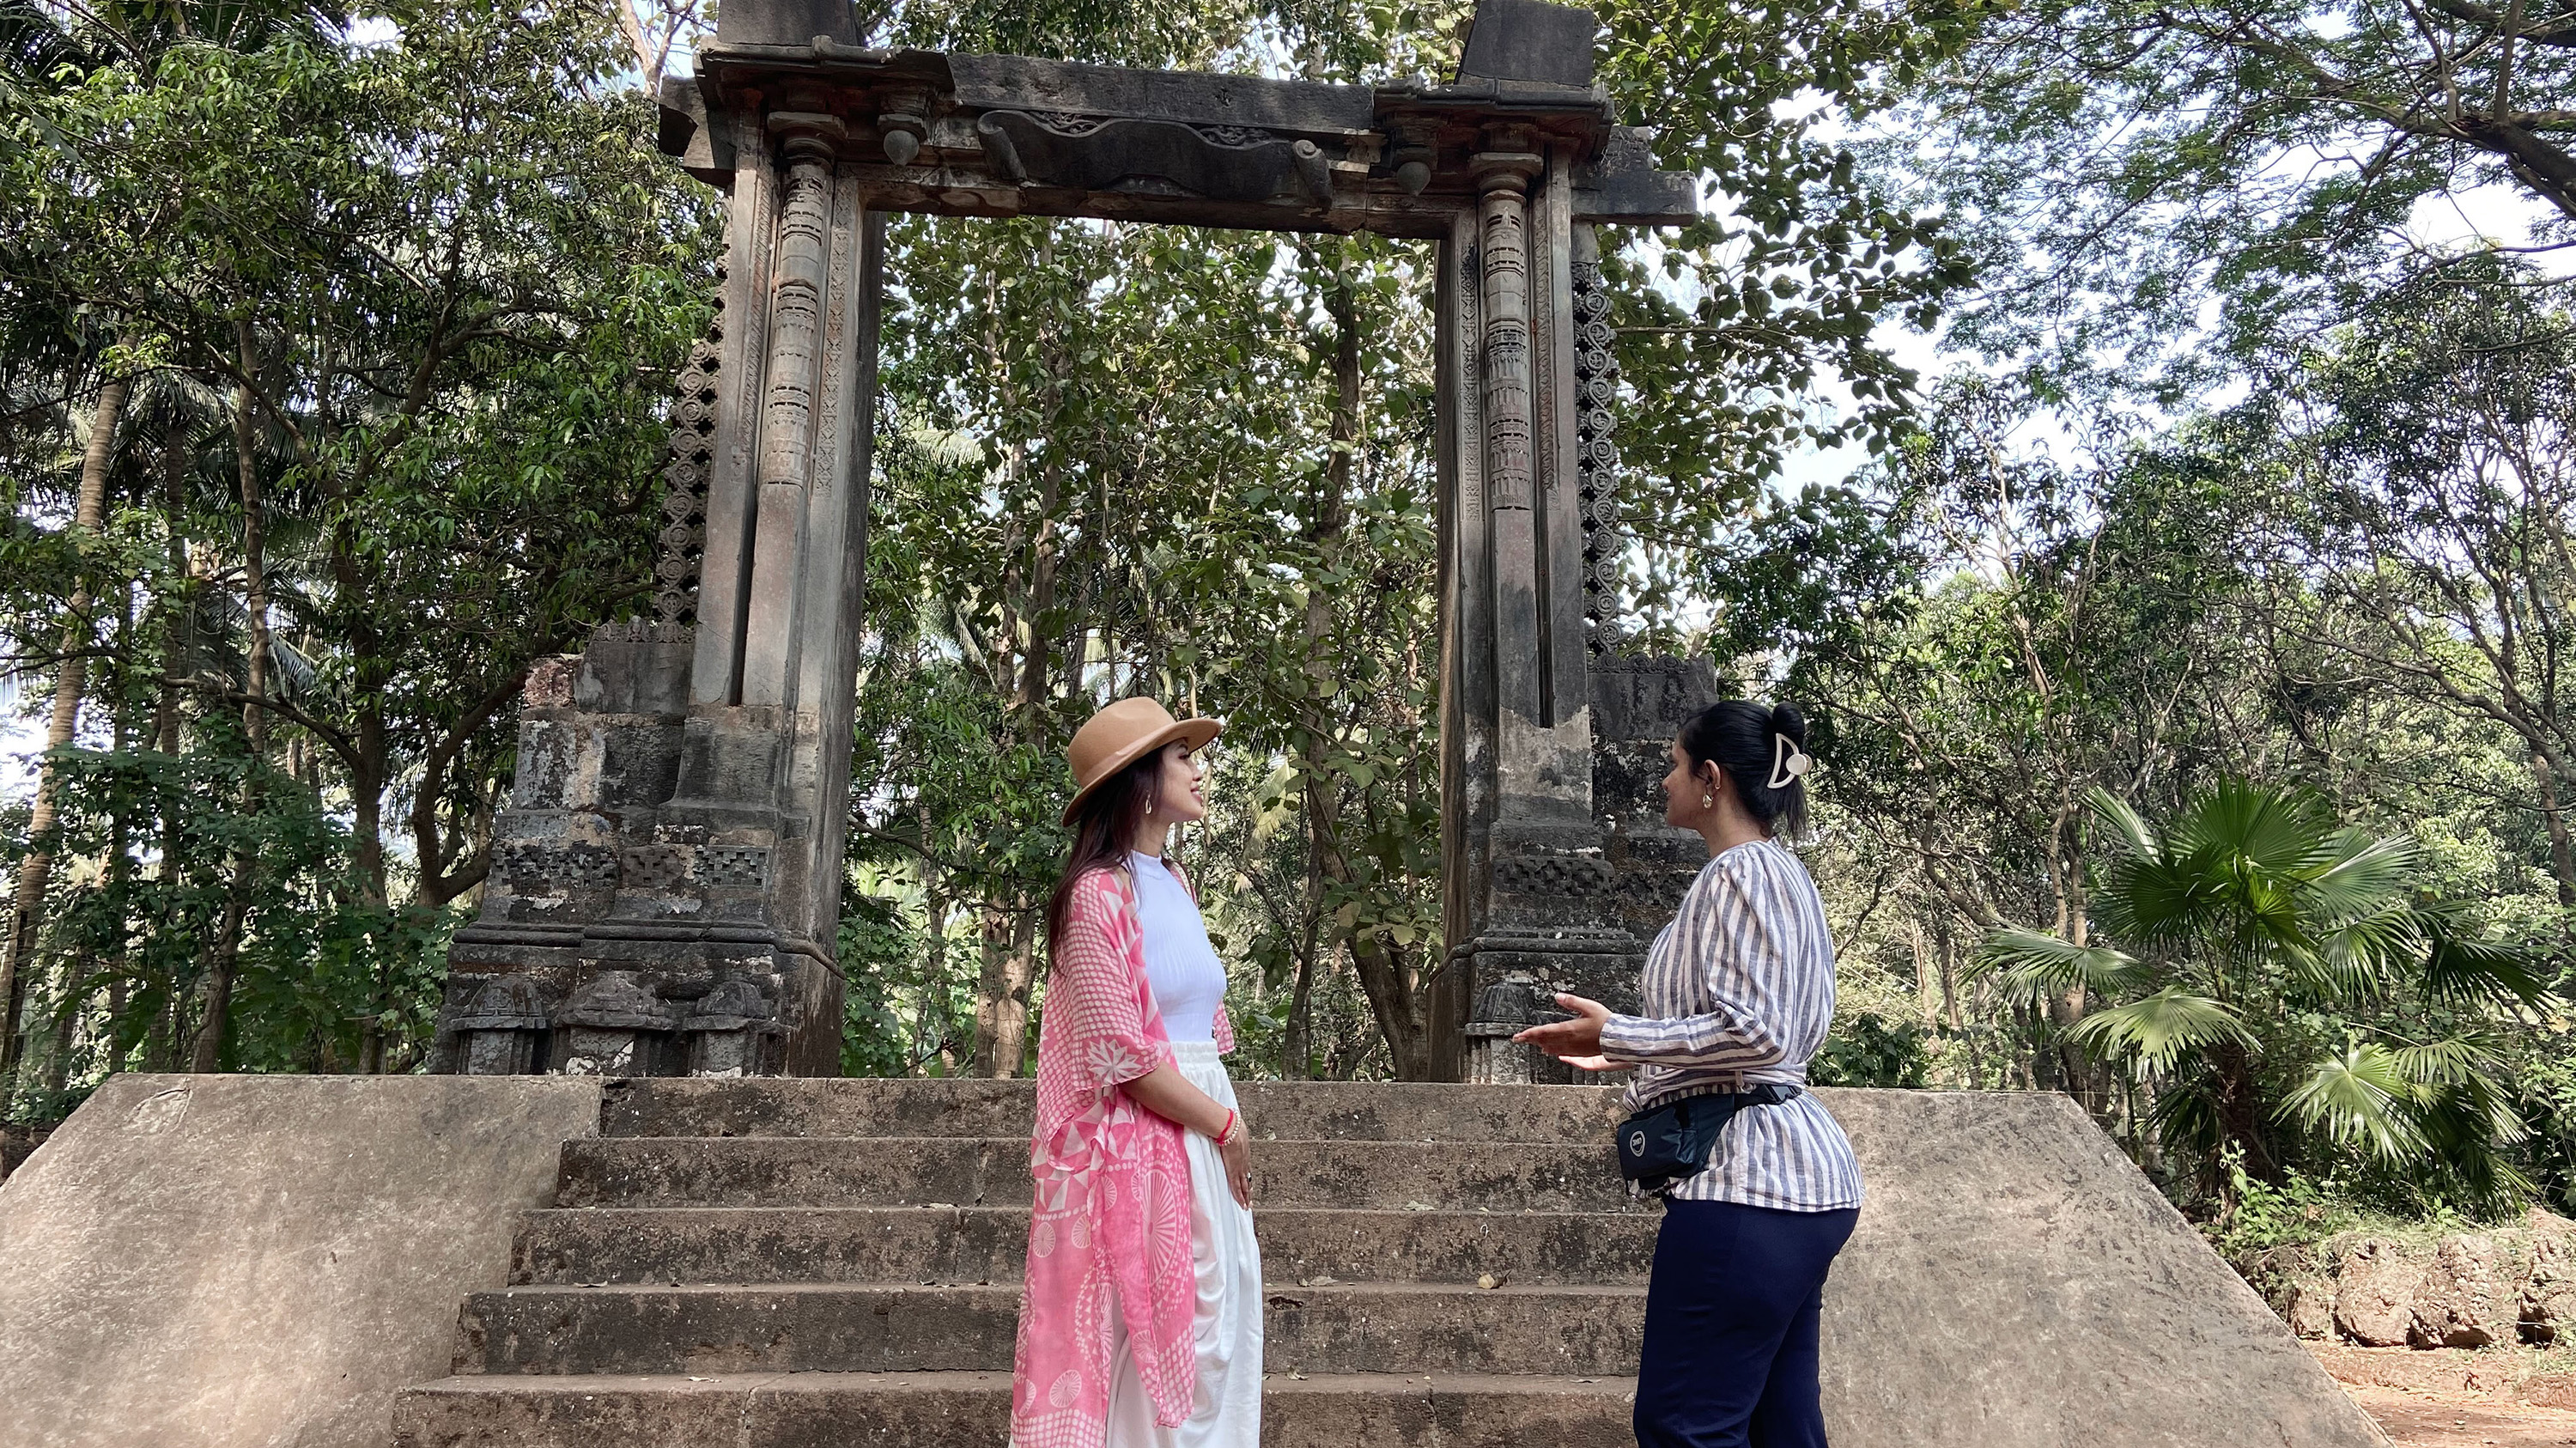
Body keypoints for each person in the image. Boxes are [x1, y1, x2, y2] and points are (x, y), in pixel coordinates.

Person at [1514, 700, 1864, 1448]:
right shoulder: (1782, 874)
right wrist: (1629, 1050)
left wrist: (1622, 1031)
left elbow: (1757, 1030)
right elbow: (1756, 1029)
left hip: (1748, 1184)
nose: (1664, 779)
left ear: (1711, 779)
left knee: (1683, 1426)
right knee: (1780, 1423)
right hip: (1797, 1182)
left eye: (1675, 765)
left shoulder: (1738, 873)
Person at [1009, 696, 1261, 1448]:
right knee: (1151, 1329)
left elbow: (1195, 1025)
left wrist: (1219, 1121)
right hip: (1146, 1134)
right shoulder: (1096, 894)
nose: (1199, 770)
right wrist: (1224, 1125)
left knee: (1218, 1317)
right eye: (1182, 757)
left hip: (1199, 1117)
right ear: (1141, 781)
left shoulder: (1175, 882)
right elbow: (1122, 1056)